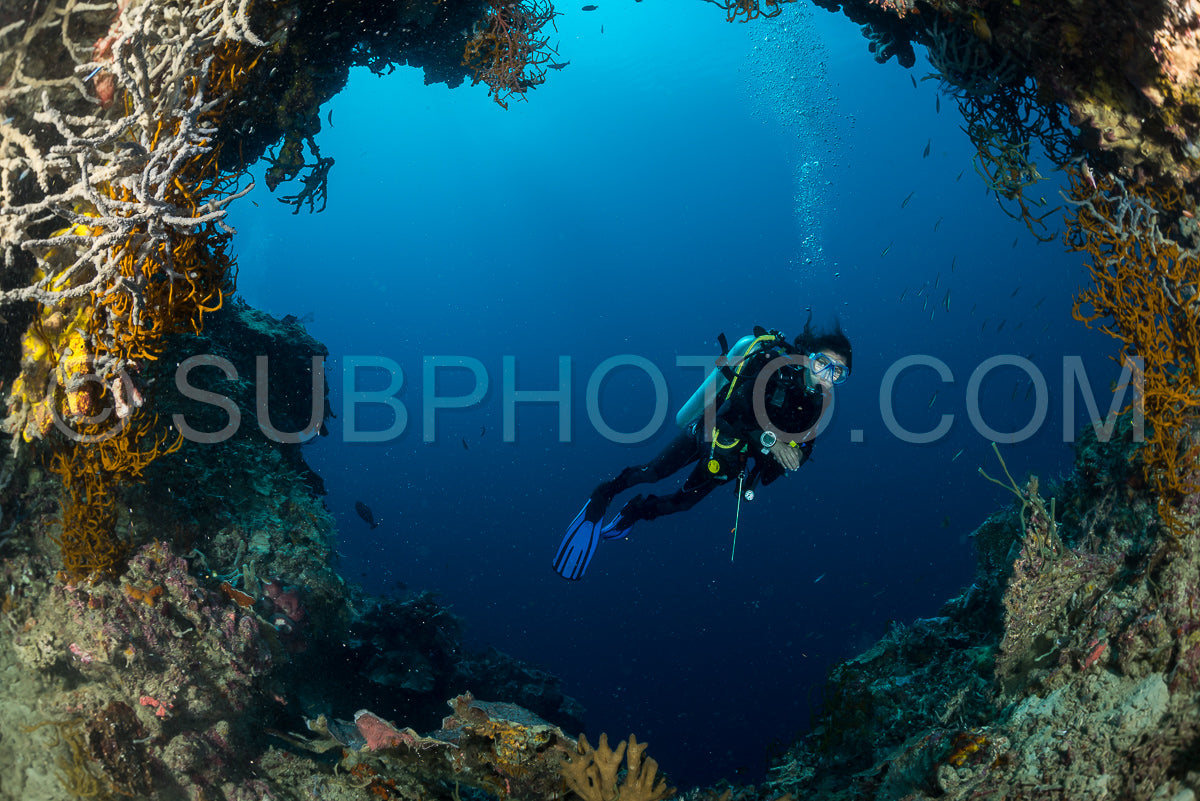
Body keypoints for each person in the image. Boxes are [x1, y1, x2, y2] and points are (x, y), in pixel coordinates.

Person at [553, 320, 852, 580]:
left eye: (838, 372)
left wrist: (797, 456)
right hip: (709, 431)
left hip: (732, 458)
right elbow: (734, 411)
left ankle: (634, 511)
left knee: (682, 504)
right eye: (821, 363)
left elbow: (805, 443)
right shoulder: (775, 369)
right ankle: (603, 495)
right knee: (653, 472)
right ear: (807, 357)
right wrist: (773, 443)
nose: (827, 375)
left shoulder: (819, 403)